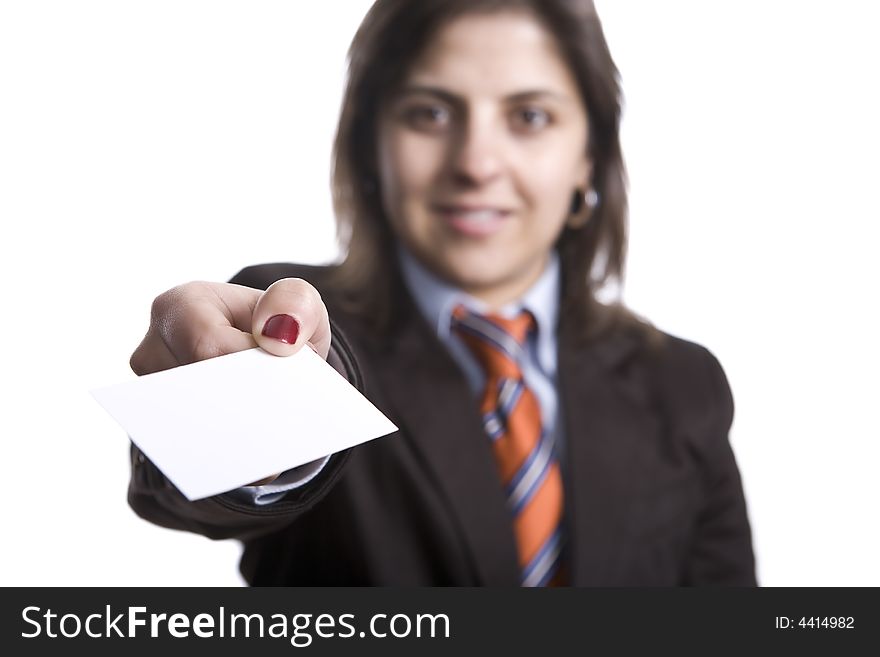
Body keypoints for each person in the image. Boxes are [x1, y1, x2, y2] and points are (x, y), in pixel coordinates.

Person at [128, 0, 757, 586]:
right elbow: (196, 489)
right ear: (372, 144)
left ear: (588, 155)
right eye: (430, 113)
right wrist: (249, 410)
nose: (477, 162)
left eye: (530, 117)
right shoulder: (293, 322)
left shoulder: (683, 384)